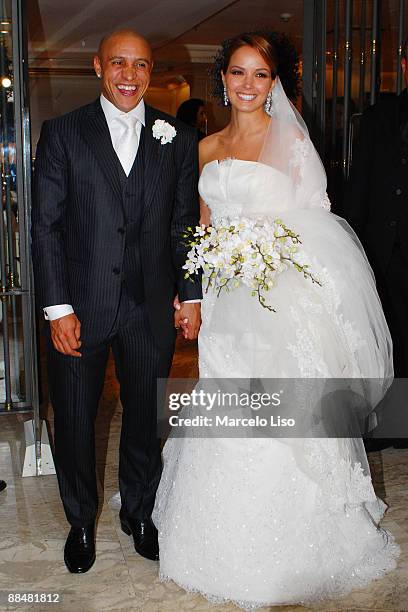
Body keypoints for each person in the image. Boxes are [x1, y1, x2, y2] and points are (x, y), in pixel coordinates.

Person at [152, 31, 399, 607]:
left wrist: (273, 258)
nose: (247, 84)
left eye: (259, 74)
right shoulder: (205, 147)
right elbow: (203, 225)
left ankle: (297, 547)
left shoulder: (292, 141)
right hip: (223, 300)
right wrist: (196, 287)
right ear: (222, 78)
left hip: (278, 298)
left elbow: (317, 219)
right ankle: (218, 545)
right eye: (238, 72)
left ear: (275, 82)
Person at [31, 29, 202, 574]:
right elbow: (47, 229)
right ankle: (81, 521)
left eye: (142, 66)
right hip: (80, 307)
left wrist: (189, 294)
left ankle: (140, 512)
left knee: (145, 417)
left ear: (152, 72)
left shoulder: (177, 135)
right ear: (99, 67)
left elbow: (183, 225)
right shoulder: (62, 134)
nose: (130, 76)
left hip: (149, 308)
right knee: (77, 420)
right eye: (120, 64)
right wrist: (58, 308)